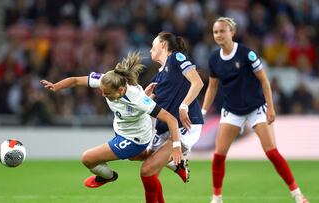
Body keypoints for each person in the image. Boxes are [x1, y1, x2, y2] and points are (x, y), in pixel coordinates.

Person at [40, 52, 183, 203]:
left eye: (107, 94)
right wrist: (56, 86)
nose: (103, 95)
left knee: (87, 158)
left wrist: (176, 147)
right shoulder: (106, 80)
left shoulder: (136, 99)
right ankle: (171, 162)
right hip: (123, 130)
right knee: (136, 157)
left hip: (135, 138)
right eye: (102, 91)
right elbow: (75, 80)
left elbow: (170, 118)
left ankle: (108, 176)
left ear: (121, 90)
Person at [202, 17, 309, 203]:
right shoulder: (214, 59)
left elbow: (264, 81)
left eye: (222, 31)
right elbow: (212, 87)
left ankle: (297, 194)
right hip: (232, 111)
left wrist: (270, 108)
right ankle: (217, 198)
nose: (219, 35)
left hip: (255, 108)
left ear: (232, 33)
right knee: (219, 156)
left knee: (271, 152)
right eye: (215, 32)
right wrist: (203, 111)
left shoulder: (246, 54)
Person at [143, 31, 204, 185]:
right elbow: (146, 105)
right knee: (138, 156)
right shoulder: (157, 77)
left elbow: (198, 82)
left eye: (153, 45)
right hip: (164, 128)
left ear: (163, 44)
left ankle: (176, 162)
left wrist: (184, 106)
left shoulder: (176, 58)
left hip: (184, 124)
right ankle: (176, 165)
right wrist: (142, 96)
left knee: (147, 169)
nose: (150, 50)